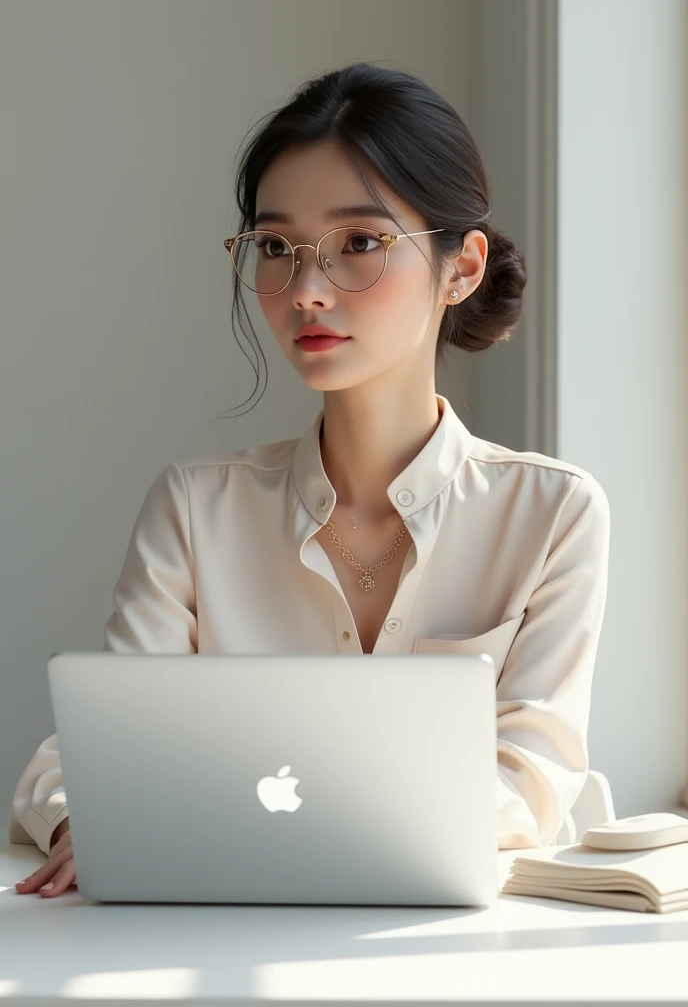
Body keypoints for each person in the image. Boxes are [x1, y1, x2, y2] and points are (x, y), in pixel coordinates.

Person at [10, 61, 611, 898]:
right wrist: (93, 819)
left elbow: (530, 785)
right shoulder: (195, 507)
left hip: (467, 947)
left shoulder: (551, 512)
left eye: (359, 244)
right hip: (213, 931)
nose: (306, 291)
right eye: (276, 248)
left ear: (461, 268)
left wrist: (212, 822)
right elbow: (83, 758)